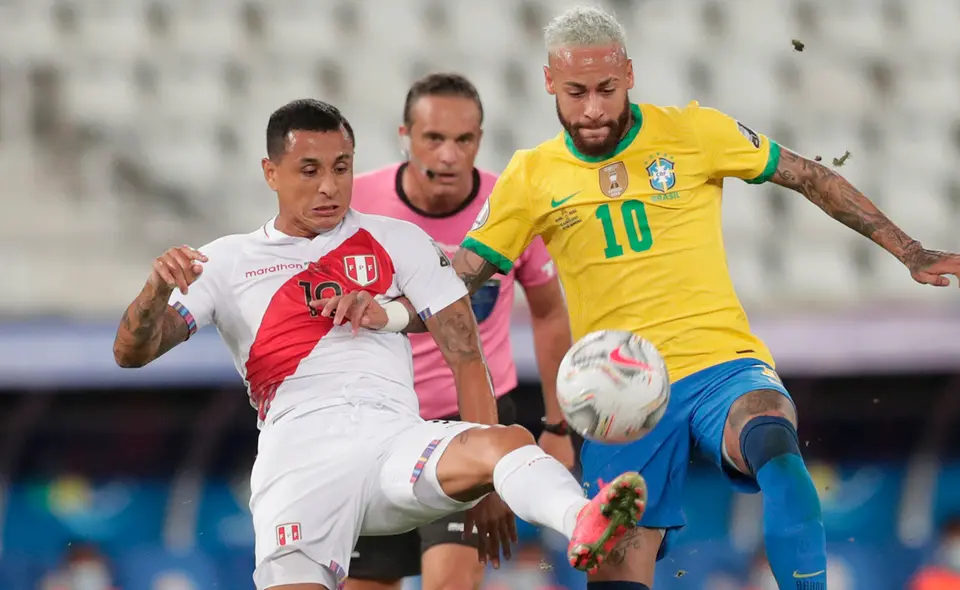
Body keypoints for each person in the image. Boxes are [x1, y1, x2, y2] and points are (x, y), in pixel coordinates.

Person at [310, 7, 960, 590]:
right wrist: (393, 312)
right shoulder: (531, 177)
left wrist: (909, 250)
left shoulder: (694, 132)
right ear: (550, 84)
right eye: (577, 91)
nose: (594, 107)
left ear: (629, 73)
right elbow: (465, 275)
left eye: (606, 88)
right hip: (616, 395)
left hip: (719, 361)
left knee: (775, 441)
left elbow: (808, 176)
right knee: (617, 566)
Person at [110, 98, 648, 590]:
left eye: (341, 167)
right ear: (270, 173)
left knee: (505, 440)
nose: (329, 186)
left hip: (395, 440)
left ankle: (583, 520)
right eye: (310, 170)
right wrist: (156, 290)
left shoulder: (399, 241)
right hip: (299, 460)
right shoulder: (225, 261)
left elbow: (465, 353)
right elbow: (131, 353)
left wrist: (487, 487)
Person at [348, 73, 575, 590]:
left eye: (464, 140)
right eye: (434, 138)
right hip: (381, 425)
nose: (450, 155)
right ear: (404, 135)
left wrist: (558, 427)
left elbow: (549, 312)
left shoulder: (514, 204)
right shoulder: (354, 206)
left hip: (475, 421)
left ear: (480, 138)